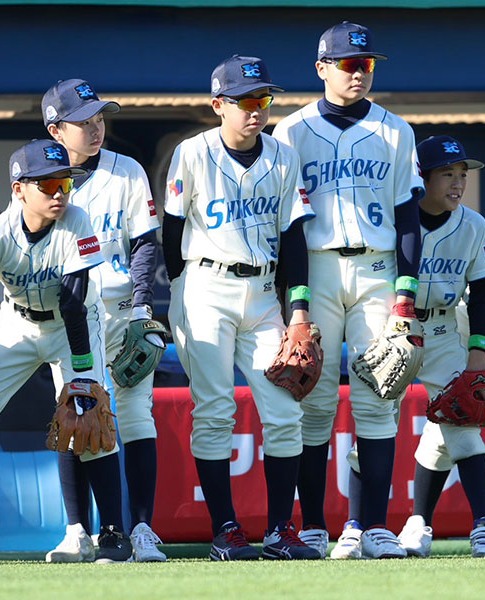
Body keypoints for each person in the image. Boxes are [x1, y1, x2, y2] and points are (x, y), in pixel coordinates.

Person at [0, 140, 131, 564]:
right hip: (17, 325)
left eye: (64, 183)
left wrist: (81, 377)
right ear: (19, 189)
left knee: (90, 415)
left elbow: (75, 304)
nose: (60, 193)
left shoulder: (78, 221)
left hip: (72, 327)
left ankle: (113, 533)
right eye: (47, 185)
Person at [272, 21, 424, 559]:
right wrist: (293, 298)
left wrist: (406, 292)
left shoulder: (395, 130)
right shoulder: (290, 131)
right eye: (348, 64)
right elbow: (286, 224)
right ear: (322, 69)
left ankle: (372, 526)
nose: (359, 72)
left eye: (367, 64)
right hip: (314, 269)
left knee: (380, 396)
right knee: (311, 402)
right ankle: (313, 525)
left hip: (378, 269)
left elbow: (409, 214)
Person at [162, 55, 320, 561]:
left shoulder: (282, 155)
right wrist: (182, 288)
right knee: (214, 410)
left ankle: (278, 530)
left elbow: (294, 234)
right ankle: (225, 529)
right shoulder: (192, 152)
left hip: (263, 292)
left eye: (263, 100)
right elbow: (169, 231)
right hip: (205, 286)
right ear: (218, 105)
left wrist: (298, 310)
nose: (256, 110)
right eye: (245, 101)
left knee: (284, 411)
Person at [40, 78, 165, 563]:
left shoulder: (127, 170)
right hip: (69, 315)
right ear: (56, 131)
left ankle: (141, 529)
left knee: (135, 414)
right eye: (83, 121)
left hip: (119, 310)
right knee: (74, 413)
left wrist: (141, 305)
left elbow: (145, 243)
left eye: (99, 118)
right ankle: (77, 530)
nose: (96, 128)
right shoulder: (39, 175)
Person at [372, 135, 485, 558]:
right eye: (447, 173)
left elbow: (481, 293)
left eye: (462, 175)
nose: (457, 183)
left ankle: (483, 527)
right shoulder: (393, 218)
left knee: (463, 424)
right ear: (421, 177)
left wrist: (478, 350)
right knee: (372, 426)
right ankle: (362, 527)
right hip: (392, 328)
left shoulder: (474, 224)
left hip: (445, 330)